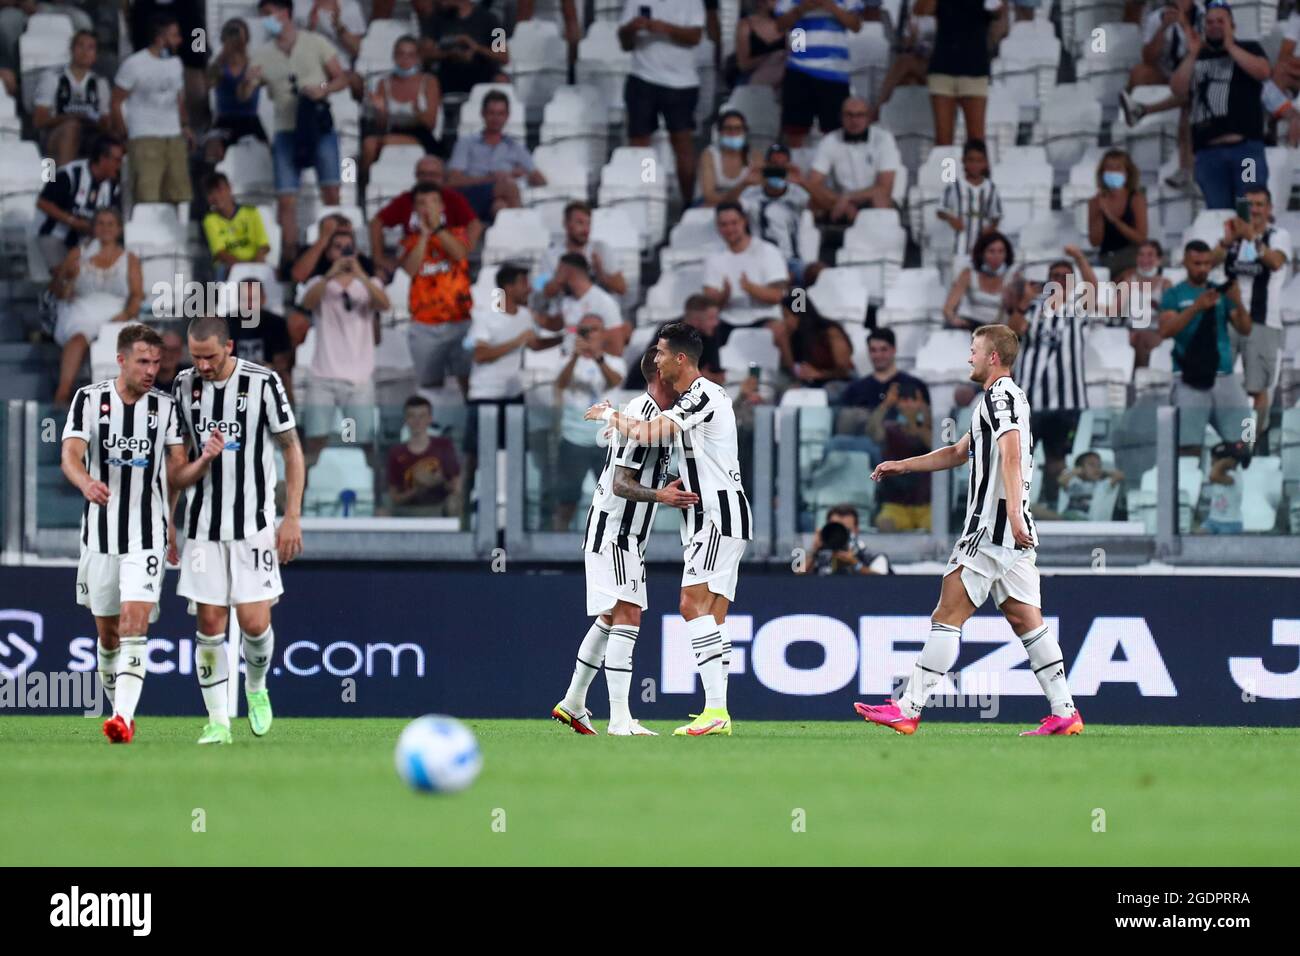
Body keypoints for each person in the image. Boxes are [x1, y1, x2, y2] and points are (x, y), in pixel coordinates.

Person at [856, 324, 1084, 736]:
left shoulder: (1001, 396)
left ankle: (908, 707)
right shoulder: (997, 400)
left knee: (947, 614)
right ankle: (1064, 710)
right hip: (1010, 534)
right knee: (1026, 619)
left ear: (993, 356)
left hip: (992, 528)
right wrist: (901, 464)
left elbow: (1011, 453)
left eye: (974, 350)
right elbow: (960, 452)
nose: (969, 358)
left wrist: (1013, 512)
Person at [588, 322, 754, 737]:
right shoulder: (699, 397)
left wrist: (610, 414)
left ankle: (716, 710)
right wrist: (619, 428)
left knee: (689, 604)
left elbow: (649, 431)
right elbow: (648, 433)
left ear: (680, 358)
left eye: (661, 352)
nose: (655, 359)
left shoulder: (702, 394)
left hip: (716, 515)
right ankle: (718, 712)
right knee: (712, 617)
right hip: (719, 516)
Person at [60, 324, 221, 744]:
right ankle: (119, 709)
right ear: (121, 360)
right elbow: (70, 455)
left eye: (157, 361)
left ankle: (123, 720)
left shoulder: (165, 409)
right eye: (143, 361)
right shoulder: (89, 400)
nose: (153, 369)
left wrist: (170, 515)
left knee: (135, 622)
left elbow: (174, 471)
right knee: (108, 634)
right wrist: (86, 483)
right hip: (98, 537)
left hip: (145, 535)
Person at [171, 315, 305, 745]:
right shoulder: (182, 386)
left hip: (253, 525)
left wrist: (292, 517)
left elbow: (292, 450)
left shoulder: (263, 383)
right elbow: (176, 463)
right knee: (210, 622)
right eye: (195, 357)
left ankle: (257, 688)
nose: (202, 366)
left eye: (209, 357)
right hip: (201, 526)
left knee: (253, 622)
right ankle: (217, 722)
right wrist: (168, 521)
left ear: (229, 348)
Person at [552, 348, 694, 736]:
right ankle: (619, 719)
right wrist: (662, 496)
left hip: (624, 531)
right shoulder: (645, 415)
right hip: (616, 530)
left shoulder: (646, 414)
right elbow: (620, 482)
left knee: (610, 617)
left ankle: (573, 702)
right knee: (629, 615)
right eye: (677, 369)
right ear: (661, 376)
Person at [245, 0, 351, 264]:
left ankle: (337, 255)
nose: (266, 20)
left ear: (285, 13)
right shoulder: (261, 54)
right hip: (285, 128)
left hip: (318, 125)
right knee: (286, 199)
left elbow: (341, 77)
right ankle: (290, 258)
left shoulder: (315, 42)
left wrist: (322, 88)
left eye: (269, 14)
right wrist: (247, 83)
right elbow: (245, 94)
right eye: (263, 16)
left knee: (331, 193)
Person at [299, 226, 391, 470]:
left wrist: (360, 274)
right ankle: (301, 502)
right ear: (329, 252)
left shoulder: (369, 283)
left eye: (347, 247)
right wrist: (331, 275)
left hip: (360, 378)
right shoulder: (320, 282)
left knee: (365, 442)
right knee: (314, 442)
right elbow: (307, 303)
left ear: (356, 251)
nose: (342, 252)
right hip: (323, 376)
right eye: (337, 247)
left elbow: (384, 305)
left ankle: (375, 501)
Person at [1008, 247, 1096, 490]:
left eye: (1065, 276)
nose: (1059, 280)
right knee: (1020, 460)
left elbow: (1094, 290)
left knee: (1058, 461)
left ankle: (1052, 507)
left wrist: (1079, 258)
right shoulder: (1033, 309)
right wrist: (1024, 301)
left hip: (1067, 402)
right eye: (1055, 275)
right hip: (1030, 400)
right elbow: (1012, 331)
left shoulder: (1078, 309)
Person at [1210, 185, 1290, 450]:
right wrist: (1227, 241)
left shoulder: (1279, 235)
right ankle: (1227, 441)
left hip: (1263, 321)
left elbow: (1276, 262)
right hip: (1230, 318)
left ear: (1269, 209)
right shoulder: (1233, 235)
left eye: (1259, 204)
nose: (1254, 209)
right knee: (1217, 381)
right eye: (1250, 204)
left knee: (1257, 388)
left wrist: (1253, 238)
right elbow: (1209, 262)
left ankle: (1251, 443)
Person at [1170, 0, 1271, 210]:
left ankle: (1250, 243)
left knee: (1249, 206)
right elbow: (1178, 89)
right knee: (1219, 214)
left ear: (1232, 25)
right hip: (1208, 154)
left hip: (1246, 151)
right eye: (1209, 22)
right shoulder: (1195, 56)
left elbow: (1263, 71)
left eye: (1220, 21)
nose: (1214, 25)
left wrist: (1230, 46)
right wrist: (1192, 54)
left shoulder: (1249, 48)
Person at [1158, 239, 1252, 454]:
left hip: (1224, 374)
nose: (1202, 269)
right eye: (1196, 263)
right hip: (1189, 376)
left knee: (1244, 441)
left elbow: (1245, 329)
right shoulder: (1174, 294)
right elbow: (1166, 331)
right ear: (1185, 263)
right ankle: (1191, 485)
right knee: (1188, 448)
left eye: (1207, 264)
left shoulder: (1220, 292)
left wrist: (1238, 301)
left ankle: (1224, 475)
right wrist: (1197, 307)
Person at [49, 208, 144, 406]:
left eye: (110, 224)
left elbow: (136, 294)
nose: (105, 228)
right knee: (77, 339)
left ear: (118, 229)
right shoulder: (77, 254)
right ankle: (62, 394)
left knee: (121, 339)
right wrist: (69, 277)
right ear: (93, 228)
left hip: (117, 314)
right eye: (100, 223)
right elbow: (57, 288)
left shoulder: (130, 259)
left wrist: (127, 314)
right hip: (81, 311)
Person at [618, 0, 706, 203]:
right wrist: (631, 28)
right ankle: (648, 194)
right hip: (642, 78)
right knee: (641, 144)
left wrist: (665, 28)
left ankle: (688, 201)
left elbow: (695, 36)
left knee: (682, 143)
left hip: (681, 83)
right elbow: (625, 44)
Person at [551, 314, 628, 531]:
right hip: (573, 438)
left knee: (615, 498)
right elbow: (561, 383)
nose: (590, 334)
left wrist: (598, 357)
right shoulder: (566, 361)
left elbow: (615, 380)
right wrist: (576, 356)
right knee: (567, 499)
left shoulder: (614, 361)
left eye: (594, 329)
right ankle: (558, 547)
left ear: (603, 334)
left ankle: (615, 545)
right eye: (584, 330)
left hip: (605, 439)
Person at [110, 13, 192, 208]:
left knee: (178, 195)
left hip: (173, 136)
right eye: (174, 35)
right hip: (144, 136)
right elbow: (115, 102)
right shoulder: (134, 64)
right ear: (160, 38)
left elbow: (178, 99)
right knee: (148, 197)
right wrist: (124, 135)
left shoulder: (176, 64)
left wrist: (185, 126)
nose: (179, 40)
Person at [1118, 0, 1200, 189]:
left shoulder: (1205, 16)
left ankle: (1142, 110)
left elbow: (1203, 51)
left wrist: (1184, 24)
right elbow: (1148, 57)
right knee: (1139, 73)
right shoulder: (1158, 17)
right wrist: (1163, 29)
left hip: (1196, 74)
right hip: (1168, 74)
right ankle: (1127, 127)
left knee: (1190, 92)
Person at [401, 183, 474, 393]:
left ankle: (470, 424)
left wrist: (438, 229)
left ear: (442, 206)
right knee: (429, 386)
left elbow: (460, 253)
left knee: (467, 381)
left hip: (459, 320)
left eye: (433, 202)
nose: (427, 208)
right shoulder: (410, 240)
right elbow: (410, 269)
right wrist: (424, 235)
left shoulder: (458, 232)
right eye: (422, 203)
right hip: (424, 324)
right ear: (415, 209)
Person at [369, 156, 482, 281]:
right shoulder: (406, 199)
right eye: (422, 174)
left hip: (447, 255)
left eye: (433, 174)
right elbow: (376, 222)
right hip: (415, 253)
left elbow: (474, 225)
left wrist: (467, 247)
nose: (427, 178)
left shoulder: (453, 199)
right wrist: (378, 257)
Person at [773, 0, 863, 149]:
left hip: (834, 68)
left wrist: (830, 6)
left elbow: (856, 25)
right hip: (798, 63)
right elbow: (780, 25)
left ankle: (832, 169)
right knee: (795, 129)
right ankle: (796, 167)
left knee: (835, 131)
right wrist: (802, 8)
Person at [446, 90, 546, 223]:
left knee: (501, 207)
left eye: (500, 114)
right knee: (508, 185)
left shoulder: (515, 147)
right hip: (471, 194)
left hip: (497, 199)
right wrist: (490, 179)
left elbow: (540, 180)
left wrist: (522, 174)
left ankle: (509, 236)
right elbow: (453, 180)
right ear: (483, 114)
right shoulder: (466, 143)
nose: (495, 118)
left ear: (507, 116)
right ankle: (523, 229)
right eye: (491, 113)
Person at [34, 135, 124, 276]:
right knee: (66, 275)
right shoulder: (70, 174)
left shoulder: (113, 186)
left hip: (86, 239)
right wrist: (74, 222)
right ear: (102, 158)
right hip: (54, 234)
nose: (120, 166)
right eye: (117, 160)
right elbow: (43, 203)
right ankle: (54, 293)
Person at [361, 35, 444, 185]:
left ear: (417, 58)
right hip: (392, 131)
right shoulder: (383, 83)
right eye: (401, 54)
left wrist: (417, 113)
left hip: (421, 134)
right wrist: (380, 111)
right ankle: (364, 187)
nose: (405, 59)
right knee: (368, 144)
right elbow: (381, 125)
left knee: (383, 141)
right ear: (394, 56)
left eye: (410, 55)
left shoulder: (429, 82)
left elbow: (431, 123)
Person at [702, 201, 789, 340]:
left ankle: (788, 363)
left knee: (777, 330)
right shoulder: (713, 258)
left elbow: (777, 296)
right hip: (727, 319)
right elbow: (709, 301)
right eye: (724, 224)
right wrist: (724, 295)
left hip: (764, 316)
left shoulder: (768, 251)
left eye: (734, 223)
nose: (729, 229)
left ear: (744, 222)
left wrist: (750, 288)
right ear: (718, 227)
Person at [806, 97, 900, 222]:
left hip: (870, 198)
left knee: (880, 199)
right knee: (813, 201)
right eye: (849, 115)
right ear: (841, 117)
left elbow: (884, 187)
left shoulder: (883, 139)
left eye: (860, 115)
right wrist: (838, 200)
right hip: (839, 200)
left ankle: (882, 238)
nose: (854, 120)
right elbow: (814, 183)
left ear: (869, 118)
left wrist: (849, 197)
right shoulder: (830, 140)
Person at [927, 0, 1003, 146]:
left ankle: (973, 169)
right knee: (944, 141)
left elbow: (998, 12)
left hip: (974, 68)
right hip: (943, 67)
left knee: (976, 140)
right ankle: (948, 170)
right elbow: (921, 9)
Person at [33, 30, 111, 167]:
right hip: (53, 137)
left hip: (89, 135)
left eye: (90, 48)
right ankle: (63, 183)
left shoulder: (100, 83)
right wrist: (71, 117)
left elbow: (106, 121)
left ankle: (99, 186)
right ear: (71, 49)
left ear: (96, 55)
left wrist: (90, 121)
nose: (85, 52)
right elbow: (39, 121)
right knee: (72, 128)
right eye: (80, 46)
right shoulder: (52, 78)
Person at [740, 143, 812, 282]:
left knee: (809, 276)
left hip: (791, 261)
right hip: (758, 259)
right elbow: (728, 210)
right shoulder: (750, 193)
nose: (777, 170)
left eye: (782, 166)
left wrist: (803, 181)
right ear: (765, 166)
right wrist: (744, 183)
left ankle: (799, 303)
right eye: (773, 165)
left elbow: (825, 208)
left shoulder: (797, 192)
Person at [867, 379, 932, 530]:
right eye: (904, 400)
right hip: (895, 505)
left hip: (927, 505)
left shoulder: (931, 431)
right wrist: (886, 404)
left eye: (913, 400)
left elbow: (934, 445)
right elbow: (872, 432)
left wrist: (920, 413)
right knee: (884, 524)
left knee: (937, 525)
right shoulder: (891, 429)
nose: (908, 404)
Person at [623, 294, 726, 389]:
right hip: (641, 388)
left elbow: (715, 373)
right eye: (711, 318)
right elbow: (659, 373)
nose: (716, 323)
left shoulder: (710, 332)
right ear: (695, 321)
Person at [386, 394, 462, 517]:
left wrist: (439, 481)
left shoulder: (443, 446)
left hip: (440, 508)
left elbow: (458, 488)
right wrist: (417, 490)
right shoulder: (396, 452)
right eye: (412, 416)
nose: (417, 421)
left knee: (454, 504)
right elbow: (394, 497)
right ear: (405, 419)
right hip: (408, 510)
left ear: (430, 419)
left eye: (422, 416)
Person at [536, 201, 627, 303]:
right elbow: (541, 292)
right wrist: (561, 277)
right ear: (565, 224)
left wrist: (600, 273)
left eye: (588, 223)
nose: (585, 229)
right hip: (563, 314)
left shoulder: (601, 249)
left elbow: (622, 288)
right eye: (580, 222)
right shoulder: (548, 255)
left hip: (597, 311)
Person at [205, 18, 267, 165]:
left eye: (237, 34)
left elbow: (245, 95)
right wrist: (223, 55)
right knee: (213, 156)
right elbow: (209, 83)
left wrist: (249, 79)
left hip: (249, 119)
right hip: (224, 119)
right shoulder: (218, 66)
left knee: (261, 160)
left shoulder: (253, 65)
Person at [226, 278, 295, 403]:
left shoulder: (276, 323)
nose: (249, 304)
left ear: (263, 299)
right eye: (245, 299)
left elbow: (282, 363)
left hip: (267, 382)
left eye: (253, 299)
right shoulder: (225, 324)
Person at [425, 0, 511, 97]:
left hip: (482, 77)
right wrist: (450, 54)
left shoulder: (490, 19)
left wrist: (476, 48)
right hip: (448, 78)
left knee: (501, 79)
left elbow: (504, 57)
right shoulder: (437, 18)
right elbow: (425, 53)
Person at [550, 252, 628, 355]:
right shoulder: (566, 302)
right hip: (567, 365)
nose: (556, 279)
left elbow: (617, 348)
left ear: (568, 272)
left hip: (592, 368)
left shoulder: (604, 302)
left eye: (558, 272)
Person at [937, 138, 1002, 260]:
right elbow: (940, 210)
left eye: (979, 161)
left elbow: (996, 215)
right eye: (971, 160)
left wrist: (991, 228)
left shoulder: (991, 188)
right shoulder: (954, 185)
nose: (975, 165)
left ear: (985, 163)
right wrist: (951, 219)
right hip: (959, 248)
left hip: (983, 249)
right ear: (963, 161)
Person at [1087, 149, 1148, 276]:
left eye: (1118, 168)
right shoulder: (1095, 201)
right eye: (1109, 168)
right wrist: (1099, 213)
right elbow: (1095, 241)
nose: (1113, 171)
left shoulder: (1136, 198)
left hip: (1131, 257)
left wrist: (1113, 219)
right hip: (1106, 258)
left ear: (1127, 173)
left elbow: (1141, 238)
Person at [775, 290, 855, 388]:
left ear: (798, 315)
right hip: (813, 382)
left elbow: (845, 370)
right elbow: (794, 371)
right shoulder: (795, 337)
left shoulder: (830, 332)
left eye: (787, 316)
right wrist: (784, 342)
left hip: (840, 380)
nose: (785, 322)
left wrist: (821, 374)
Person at [202, 173, 271, 281]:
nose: (216, 196)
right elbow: (220, 253)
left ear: (230, 188)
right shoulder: (210, 220)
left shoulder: (251, 212)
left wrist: (254, 265)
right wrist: (242, 267)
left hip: (254, 262)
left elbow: (263, 246)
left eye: (220, 190)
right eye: (211, 193)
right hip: (229, 266)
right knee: (222, 270)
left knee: (266, 273)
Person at [1116, 239, 1172, 367]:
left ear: (1159, 259)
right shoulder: (1129, 282)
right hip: (1131, 330)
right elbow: (1116, 310)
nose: (1145, 259)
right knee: (1136, 337)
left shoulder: (1165, 283)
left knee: (1141, 338)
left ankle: (1140, 375)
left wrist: (1158, 307)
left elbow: (1171, 314)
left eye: (1150, 255)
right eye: (1141, 254)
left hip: (1156, 332)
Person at [942, 230, 1013, 329]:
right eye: (991, 251)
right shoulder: (968, 274)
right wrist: (953, 319)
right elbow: (948, 308)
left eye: (1001, 251)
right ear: (982, 254)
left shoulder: (1012, 278)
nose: (997, 256)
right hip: (968, 324)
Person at [798, 503, 892, 574]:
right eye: (837, 529)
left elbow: (882, 583)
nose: (840, 535)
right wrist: (815, 550)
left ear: (856, 530)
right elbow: (794, 580)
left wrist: (855, 564)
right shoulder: (819, 556)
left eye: (846, 530)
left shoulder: (875, 557)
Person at [697, 110, 764, 206]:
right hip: (714, 205)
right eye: (728, 129)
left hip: (745, 205)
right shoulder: (709, 155)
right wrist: (742, 186)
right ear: (720, 132)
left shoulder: (755, 156)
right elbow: (709, 197)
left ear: (745, 131)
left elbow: (759, 193)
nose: (733, 133)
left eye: (738, 129)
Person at [876, 0, 936, 107]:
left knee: (904, 63)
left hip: (939, 66)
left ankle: (876, 109)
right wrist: (912, 39)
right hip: (920, 60)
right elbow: (905, 45)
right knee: (907, 78)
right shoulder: (911, 10)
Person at [732, 0, 786, 89]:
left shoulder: (793, 23)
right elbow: (743, 65)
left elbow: (799, 53)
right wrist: (770, 57)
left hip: (783, 80)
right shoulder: (745, 25)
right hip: (753, 80)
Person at [1056, 451, 1123, 520]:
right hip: (1068, 516)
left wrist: (1103, 472)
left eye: (1099, 465)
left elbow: (1119, 475)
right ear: (1080, 468)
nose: (1096, 468)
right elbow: (1061, 480)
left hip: (1083, 520)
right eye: (1092, 465)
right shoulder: (1073, 482)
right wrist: (1076, 471)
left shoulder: (1102, 485)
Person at [1197, 440, 1246, 532]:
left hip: (1230, 523)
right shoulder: (1218, 473)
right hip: (1213, 520)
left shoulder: (1233, 475)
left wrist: (1225, 461)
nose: (1211, 462)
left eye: (1214, 459)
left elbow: (1213, 476)